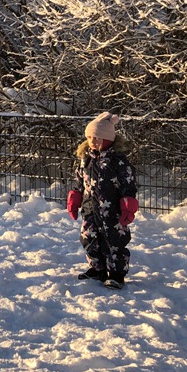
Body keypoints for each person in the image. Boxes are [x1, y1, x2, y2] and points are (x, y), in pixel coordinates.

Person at [66, 112, 139, 289]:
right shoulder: (86, 160)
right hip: (90, 209)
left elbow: (128, 184)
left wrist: (128, 206)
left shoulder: (118, 162)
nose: (93, 141)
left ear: (108, 139)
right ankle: (97, 268)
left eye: (97, 138)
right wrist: (74, 198)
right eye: (90, 137)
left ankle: (116, 273)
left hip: (112, 211)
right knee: (89, 237)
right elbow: (79, 182)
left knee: (114, 240)